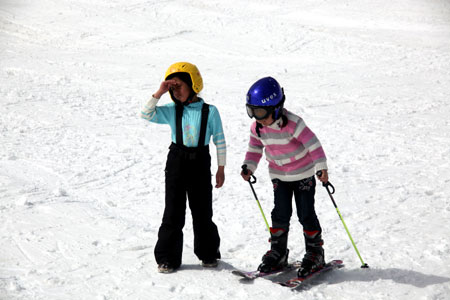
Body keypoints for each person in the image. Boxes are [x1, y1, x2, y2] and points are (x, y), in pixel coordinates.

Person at [141, 62, 226, 273]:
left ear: (193, 84)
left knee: (202, 210)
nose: (175, 91)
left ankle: (208, 253)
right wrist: (159, 92)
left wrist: (221, 168)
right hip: (177, 161)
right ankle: (167, 257)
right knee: (173, 211)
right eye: (172, 87)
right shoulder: (171, 111)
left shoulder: (210, 111)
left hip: (200, 161)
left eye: (178, 85)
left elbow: (220, 141)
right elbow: (146, 114)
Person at [240, 76, 329, 277]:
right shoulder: (258, 128)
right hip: (279, 176)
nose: (257, 117)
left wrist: (321, 167)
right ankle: (278, 252)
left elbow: (313, 144)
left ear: (276, 107)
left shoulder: (294, 124)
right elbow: (254, 149)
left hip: (303, 174)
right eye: (251, 112)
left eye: (260, 112)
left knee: (306, 213)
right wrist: (249, 167)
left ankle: (315, 253)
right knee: (280, 214)